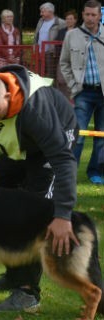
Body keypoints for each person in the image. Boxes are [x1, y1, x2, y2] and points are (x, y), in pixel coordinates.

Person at [0, 65, 79, 313]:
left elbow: (63, 160)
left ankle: (27, 292)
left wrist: (62, 215)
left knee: (29, 216)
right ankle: (14, 276)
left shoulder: (36, 112)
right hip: (17, 141)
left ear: (7, 95)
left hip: (51, 142)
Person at [59, 0, 104, 185]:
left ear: (100, 16)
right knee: (76, 135)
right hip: (83, 93)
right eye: (87, 14)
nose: (90, 18)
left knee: (102, 137)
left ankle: (96, 172)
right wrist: (73, 86)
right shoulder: (72, 35)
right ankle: (70, 172)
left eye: (94, 15)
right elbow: (64, 63)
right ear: (83, 15)